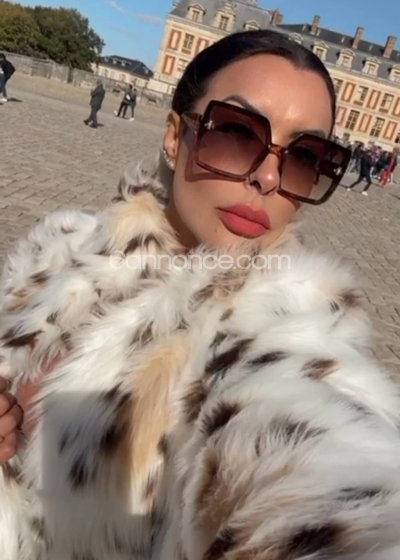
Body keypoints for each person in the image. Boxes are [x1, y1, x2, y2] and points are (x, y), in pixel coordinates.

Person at [1, 30, 400, 560]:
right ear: (174, 136)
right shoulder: (58, 245)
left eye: (305, 157)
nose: (269, 177)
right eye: (237, 132)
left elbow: (323, 475)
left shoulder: (288, 329)